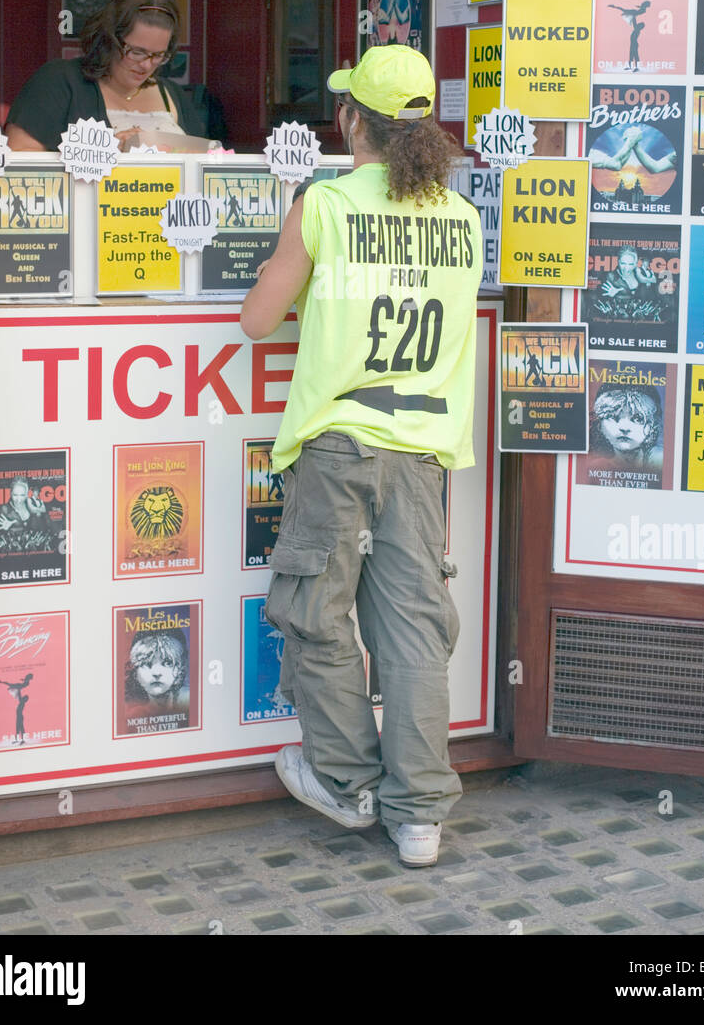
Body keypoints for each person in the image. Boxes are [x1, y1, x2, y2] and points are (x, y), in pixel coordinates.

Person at [240, 45, 482, 868]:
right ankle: (420, 817)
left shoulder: (326, 204)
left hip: (339, 443)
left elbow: (257, 320)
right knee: (414, 629)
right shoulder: (462, 215)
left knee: (316, 613)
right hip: (422, 451)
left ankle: (347, 784)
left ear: (352, 121)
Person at [5, 0, 211, 152]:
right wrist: (106, 148)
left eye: (158, 55)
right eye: (136, 52)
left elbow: (204, 159)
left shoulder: (172, 93)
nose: (147, 64)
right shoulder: (60, 81)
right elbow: (19, 156)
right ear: (110, 39)